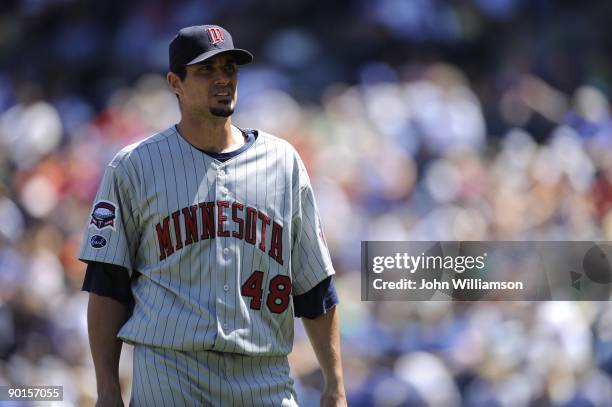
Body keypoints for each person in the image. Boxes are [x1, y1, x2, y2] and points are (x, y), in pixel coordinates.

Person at [79, 24, 347, 407]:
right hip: (170, 375)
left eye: (229, 69)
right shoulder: (134, 167)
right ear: (176, 82)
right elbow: (107, 286)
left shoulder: (283, 162)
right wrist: (107, 389)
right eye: (207, 70)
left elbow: (315, 287)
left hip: (263, 376)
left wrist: (335, 386)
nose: (223, 80)